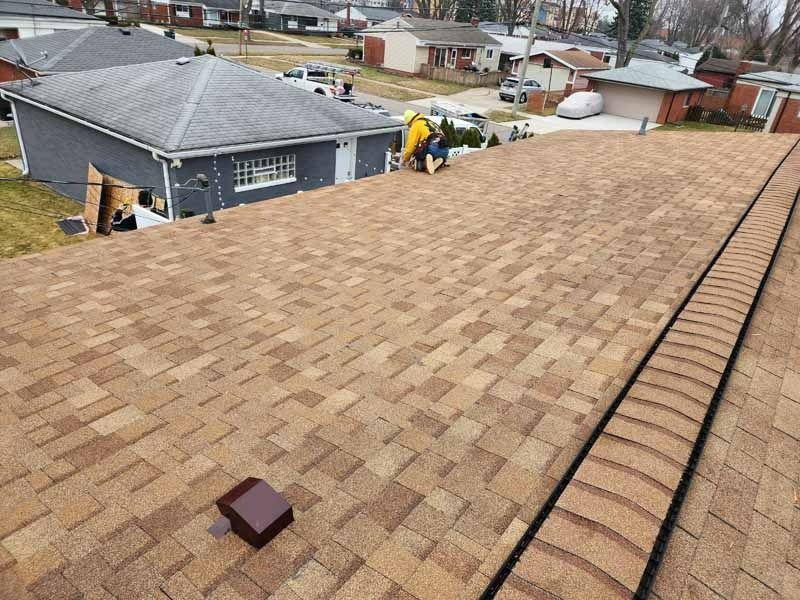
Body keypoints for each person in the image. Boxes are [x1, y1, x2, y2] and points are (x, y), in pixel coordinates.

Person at [402, 110, 449, 174]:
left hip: (432, 149)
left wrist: (405, 159)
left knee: (417, 164)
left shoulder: (416, 125)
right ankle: (439, 161)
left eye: (408, 125)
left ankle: (426, 162)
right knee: (430, 154)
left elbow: (410, 146)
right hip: (445, 150)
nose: (409, 127)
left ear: (410, 121)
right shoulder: (430, 122)